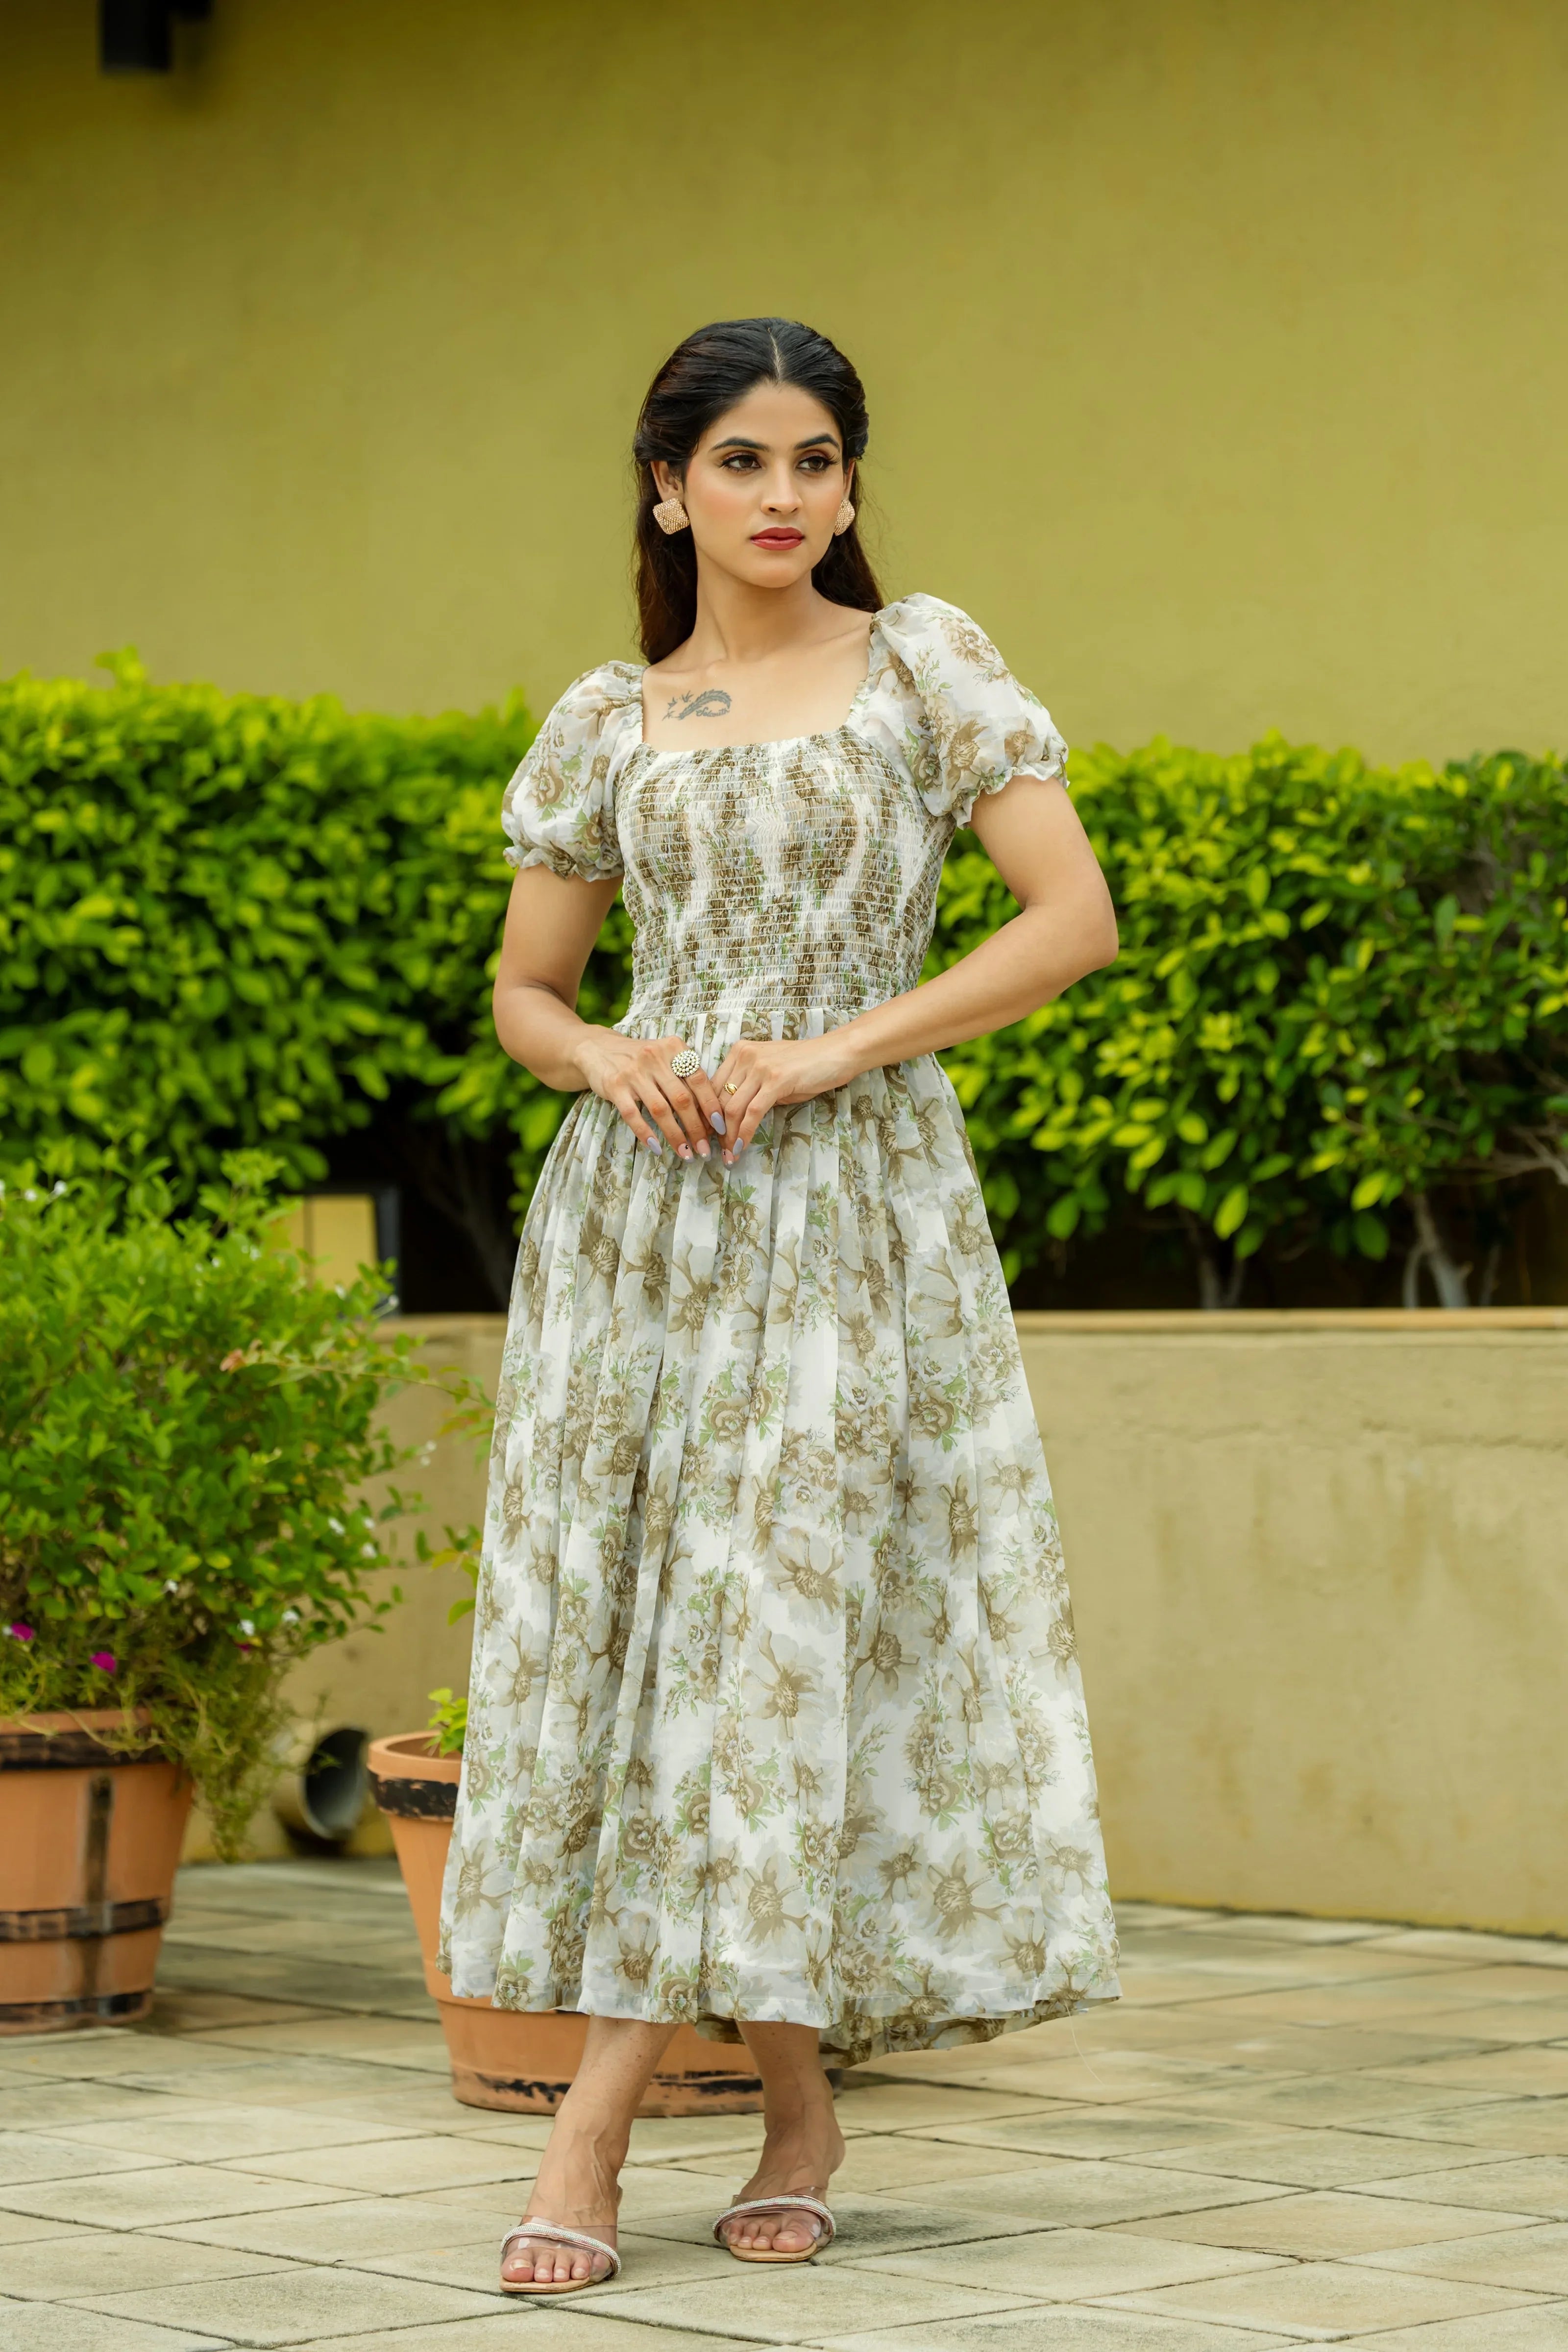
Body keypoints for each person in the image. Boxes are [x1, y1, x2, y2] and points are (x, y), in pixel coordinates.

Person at [437, 317, 1123, 2296]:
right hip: (639, 1234)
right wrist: (604, 1058)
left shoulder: (923, 664)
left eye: (814, 459)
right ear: (666, 486)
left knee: (773, 1622)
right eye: (739, 461)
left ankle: (590, 2130)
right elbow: (526, 991)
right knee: (679, 1635)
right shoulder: (603, 719)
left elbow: (1067, 919)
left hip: (848, 1215)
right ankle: (797, 2105)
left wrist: (832, 1053)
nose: (781, 496)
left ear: (846, 484)